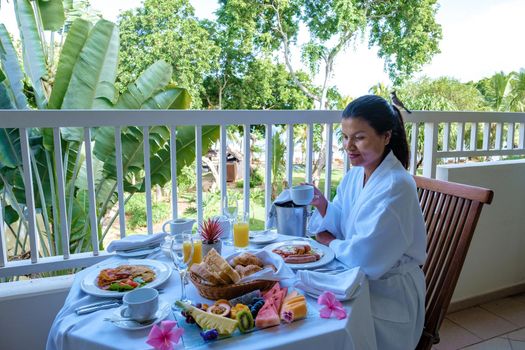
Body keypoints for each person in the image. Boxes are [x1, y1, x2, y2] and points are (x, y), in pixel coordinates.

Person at [308, 95, 426, 350]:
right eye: (345, 137)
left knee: (314, 327)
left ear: (386, 136)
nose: (348, 146)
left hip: (387, 296)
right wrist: (323, 206)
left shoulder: (396, 186)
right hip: (360, 280)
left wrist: (331, 242)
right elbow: (344, 221)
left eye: (359, 137)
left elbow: (366, 259)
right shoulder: (355, 175)